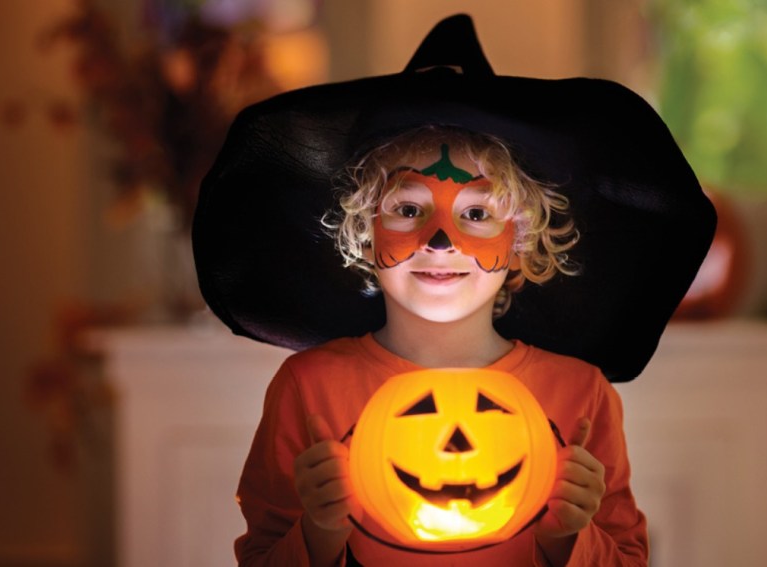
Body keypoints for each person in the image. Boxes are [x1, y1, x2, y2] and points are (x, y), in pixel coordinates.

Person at [192, 13, 716, 567]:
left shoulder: (580, 396)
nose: (440, 241)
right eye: (408, 209)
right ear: (365, 234)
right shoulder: (308, 389)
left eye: (476, 213)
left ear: (521, 244)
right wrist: (318, 530)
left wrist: (567, 536)